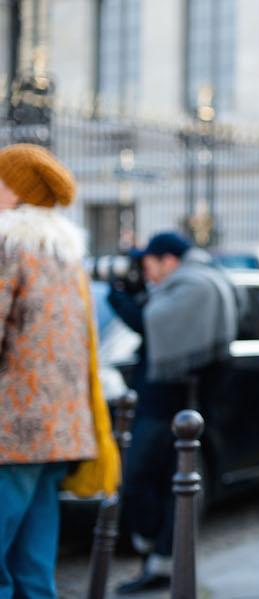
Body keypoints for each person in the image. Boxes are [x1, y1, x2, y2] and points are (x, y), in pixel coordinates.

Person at [110, 231, 238, 594]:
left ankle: (162, 561)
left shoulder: (193, 285)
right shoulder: (194, 281)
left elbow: (149, 324)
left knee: (145, 482)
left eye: (148, 264)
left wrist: (118, 298)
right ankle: (156, 560)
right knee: (150, 484)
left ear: (169, 260)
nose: (145, 272)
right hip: (169, 404)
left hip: (174, 407)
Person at [0, 144, 98, 598]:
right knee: (34, 570)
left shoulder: (8, 244)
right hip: (59, 429)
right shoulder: (64, 253)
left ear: (17, 192)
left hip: (11, 427)